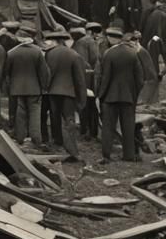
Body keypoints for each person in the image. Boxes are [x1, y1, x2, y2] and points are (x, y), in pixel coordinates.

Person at [97, 26, 144, 162]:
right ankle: (128, 155)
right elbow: (140, 79)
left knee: (108, 127)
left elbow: (105, 78)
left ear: (111, 38)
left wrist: (101, 95)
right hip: (128, 97)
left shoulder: (109, 54)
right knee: (128, 127)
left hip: (110, 97)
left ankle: (106, 155)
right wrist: (134, 94)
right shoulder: (133, 53)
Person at [45, 32, 88, 162]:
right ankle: (71, 146)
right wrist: (82, 98)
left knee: (54, 117)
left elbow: (46, 74)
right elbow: (80, 79)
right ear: (64, 41)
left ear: (55, 41)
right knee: (69, 120)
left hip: (52, 91)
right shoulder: (74, 55)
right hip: (68, 92)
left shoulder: (49, 54)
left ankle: (58, 142)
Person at [4, 30, 50, 147]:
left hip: (17, 89)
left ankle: (20, 138)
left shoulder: (11, 53)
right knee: (35, 114)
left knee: (20, 113)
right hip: (34, 88)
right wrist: (44, 87)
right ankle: (36, 139)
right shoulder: (37, 52)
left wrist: (10, 87)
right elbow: (43, 72)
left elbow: (7, 72)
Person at [72, 22, 102, 139]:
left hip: (84, 77)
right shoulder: (93, 42)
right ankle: (92, 130)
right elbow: (95, 59)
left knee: (84, 104)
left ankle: (86, 130)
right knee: (91, 105)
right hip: (92, 78)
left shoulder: (81, 42)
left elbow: (81, 61)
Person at [140, 0, 166, 76]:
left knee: (153, 59)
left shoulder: (147, 13)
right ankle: (165, 72)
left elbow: (142, 27)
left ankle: (156, 74)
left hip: (151, 40)